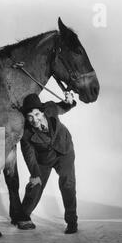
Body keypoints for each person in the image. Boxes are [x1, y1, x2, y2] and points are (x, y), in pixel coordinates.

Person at [19, 92, 78, 234]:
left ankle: (72, 222)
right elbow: (29, 156)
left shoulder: (50, 108)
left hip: (64, 150)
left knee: (67, 183)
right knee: (36, 185)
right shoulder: (26, 133)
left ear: (43, 112)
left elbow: (63, 107)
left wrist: (69, 101)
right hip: (43, 159)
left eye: (37, 114)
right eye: (30, 117)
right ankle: (22, 216)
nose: (35, 120)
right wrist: (35, 174)